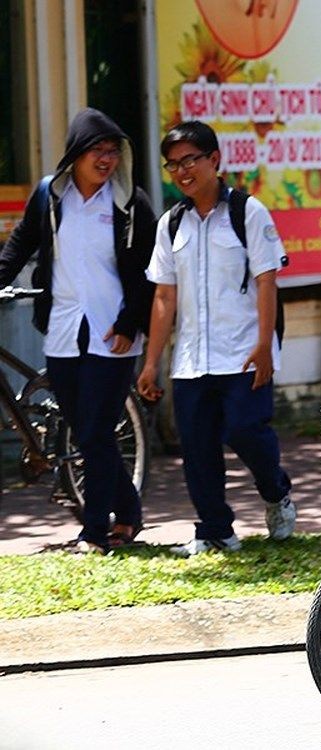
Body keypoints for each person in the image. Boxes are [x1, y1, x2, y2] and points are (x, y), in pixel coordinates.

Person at [0, 108, 156, 554]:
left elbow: (149, 272)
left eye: (112, 151)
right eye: (97, 150)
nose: (106, 160)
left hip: (114, 336)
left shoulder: (129, 203)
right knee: (90, 431)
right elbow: (19, 245)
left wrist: (131, 324)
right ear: (76, 154)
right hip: (63, 332)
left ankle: (95, 533)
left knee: (93, 433)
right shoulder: (50, 195)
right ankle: (129, 515)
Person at [137, 121, 295, 556]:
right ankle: (214, 530)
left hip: (244, 352)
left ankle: (276, 492)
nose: (183, 171)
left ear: (214, 160)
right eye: (173, 165)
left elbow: (267, 281)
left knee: (246, 430)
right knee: (198, 447)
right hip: (191, 359)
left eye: (190, 160)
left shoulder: (248, 212)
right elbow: (164, 296)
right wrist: (152, 362)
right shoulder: (171, 224)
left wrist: (265, 344)